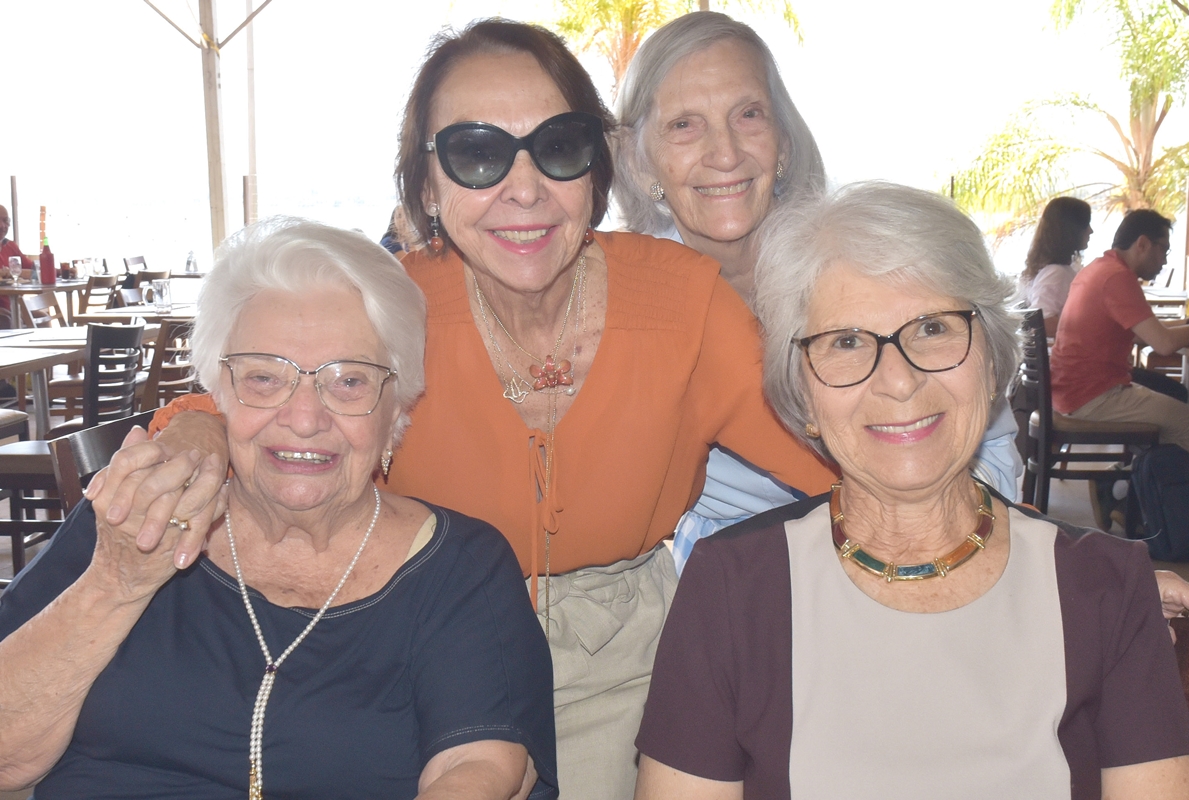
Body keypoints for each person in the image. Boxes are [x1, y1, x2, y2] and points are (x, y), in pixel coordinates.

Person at [104, 20, 837, 800]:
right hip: (408, 652)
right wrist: (197, 428)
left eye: (558, 145)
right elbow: (268, 389)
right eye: (478, 153)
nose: (523, 188)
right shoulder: (392, 302)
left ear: (596, 168)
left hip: (622, 667)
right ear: (426, 186)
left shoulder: (683, 301)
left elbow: (840, 462)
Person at [635, 182, 1189, 799]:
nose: (899, 381)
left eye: (932, 327)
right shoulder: (731, 590)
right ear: (804, 398)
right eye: (846, 342)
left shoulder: (1108, 590)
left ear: (990, 362)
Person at [0, 218, 556, 799]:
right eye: (265, 378)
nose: (305, 417)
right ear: (218, 394)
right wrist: (115, 583)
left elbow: (479, 771)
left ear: (397, 410)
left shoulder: (461, 567)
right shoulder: (128, 515)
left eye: (348, 382)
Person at [611, 11, 1021, 567]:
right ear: (641, 163)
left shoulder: (867, 255)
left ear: (783, 141)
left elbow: (989, 431)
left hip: (938, 531)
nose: (725, 153)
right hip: (743, 569)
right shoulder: (623, 304)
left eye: (748, 115)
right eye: (684, 124)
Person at [1052, 210, 1189, 452]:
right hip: (1093, 397)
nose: (1164, 260)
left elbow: (1144, 333)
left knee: (1173, 412)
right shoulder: (1117, 278)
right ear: (1142, 243)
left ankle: (1125, 484)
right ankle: (1139, 486)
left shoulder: (1099, 269)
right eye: (1164, 249)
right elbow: (1163, 344)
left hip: (1072, 390)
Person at [1020, 196, 1092, 337]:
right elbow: (1043, 321)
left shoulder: (1059, 270)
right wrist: (1089, 331)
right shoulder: (1055, 273)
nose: (1091, 231)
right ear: (1072, 230)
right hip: (1060, 355)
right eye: (1086, 225)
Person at [0, 204, 34, 328]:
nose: (2, 226)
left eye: (6, 221)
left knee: (42, 317)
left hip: (14, 303)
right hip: (3, 309)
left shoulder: (10, 246)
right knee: (7, 319)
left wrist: (61, 272)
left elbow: (33, 269)